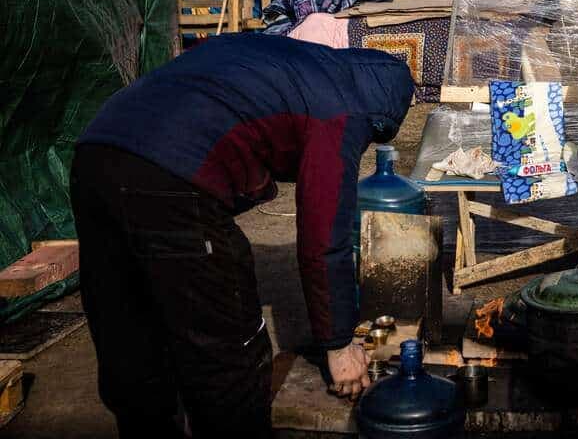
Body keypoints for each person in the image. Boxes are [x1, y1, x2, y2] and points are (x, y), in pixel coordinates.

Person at [71, 34, 415, 438]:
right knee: (227, 358)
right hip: (173, 174)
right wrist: (339, 344)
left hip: (95, 157)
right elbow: (323, 238)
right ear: (381, 116)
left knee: (132, 341)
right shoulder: (343, 110)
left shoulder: (285, 57)